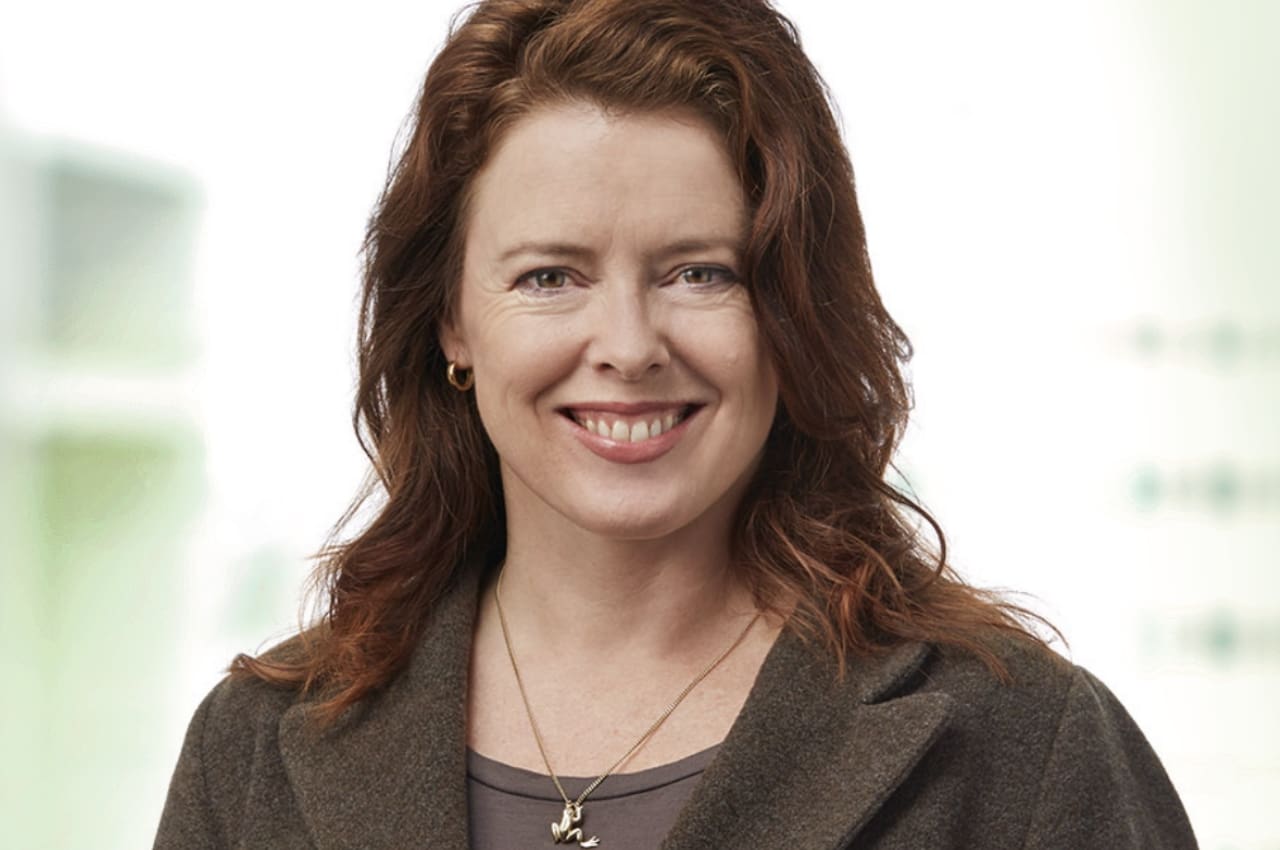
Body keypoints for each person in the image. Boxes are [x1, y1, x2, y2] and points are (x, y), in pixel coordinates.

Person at [154, 1, 1199, 847]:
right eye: (550, 276)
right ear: (451, 322)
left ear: (793, 312)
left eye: (701, 273)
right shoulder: (251, 752)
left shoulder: (1025, 746)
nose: (628, 344)